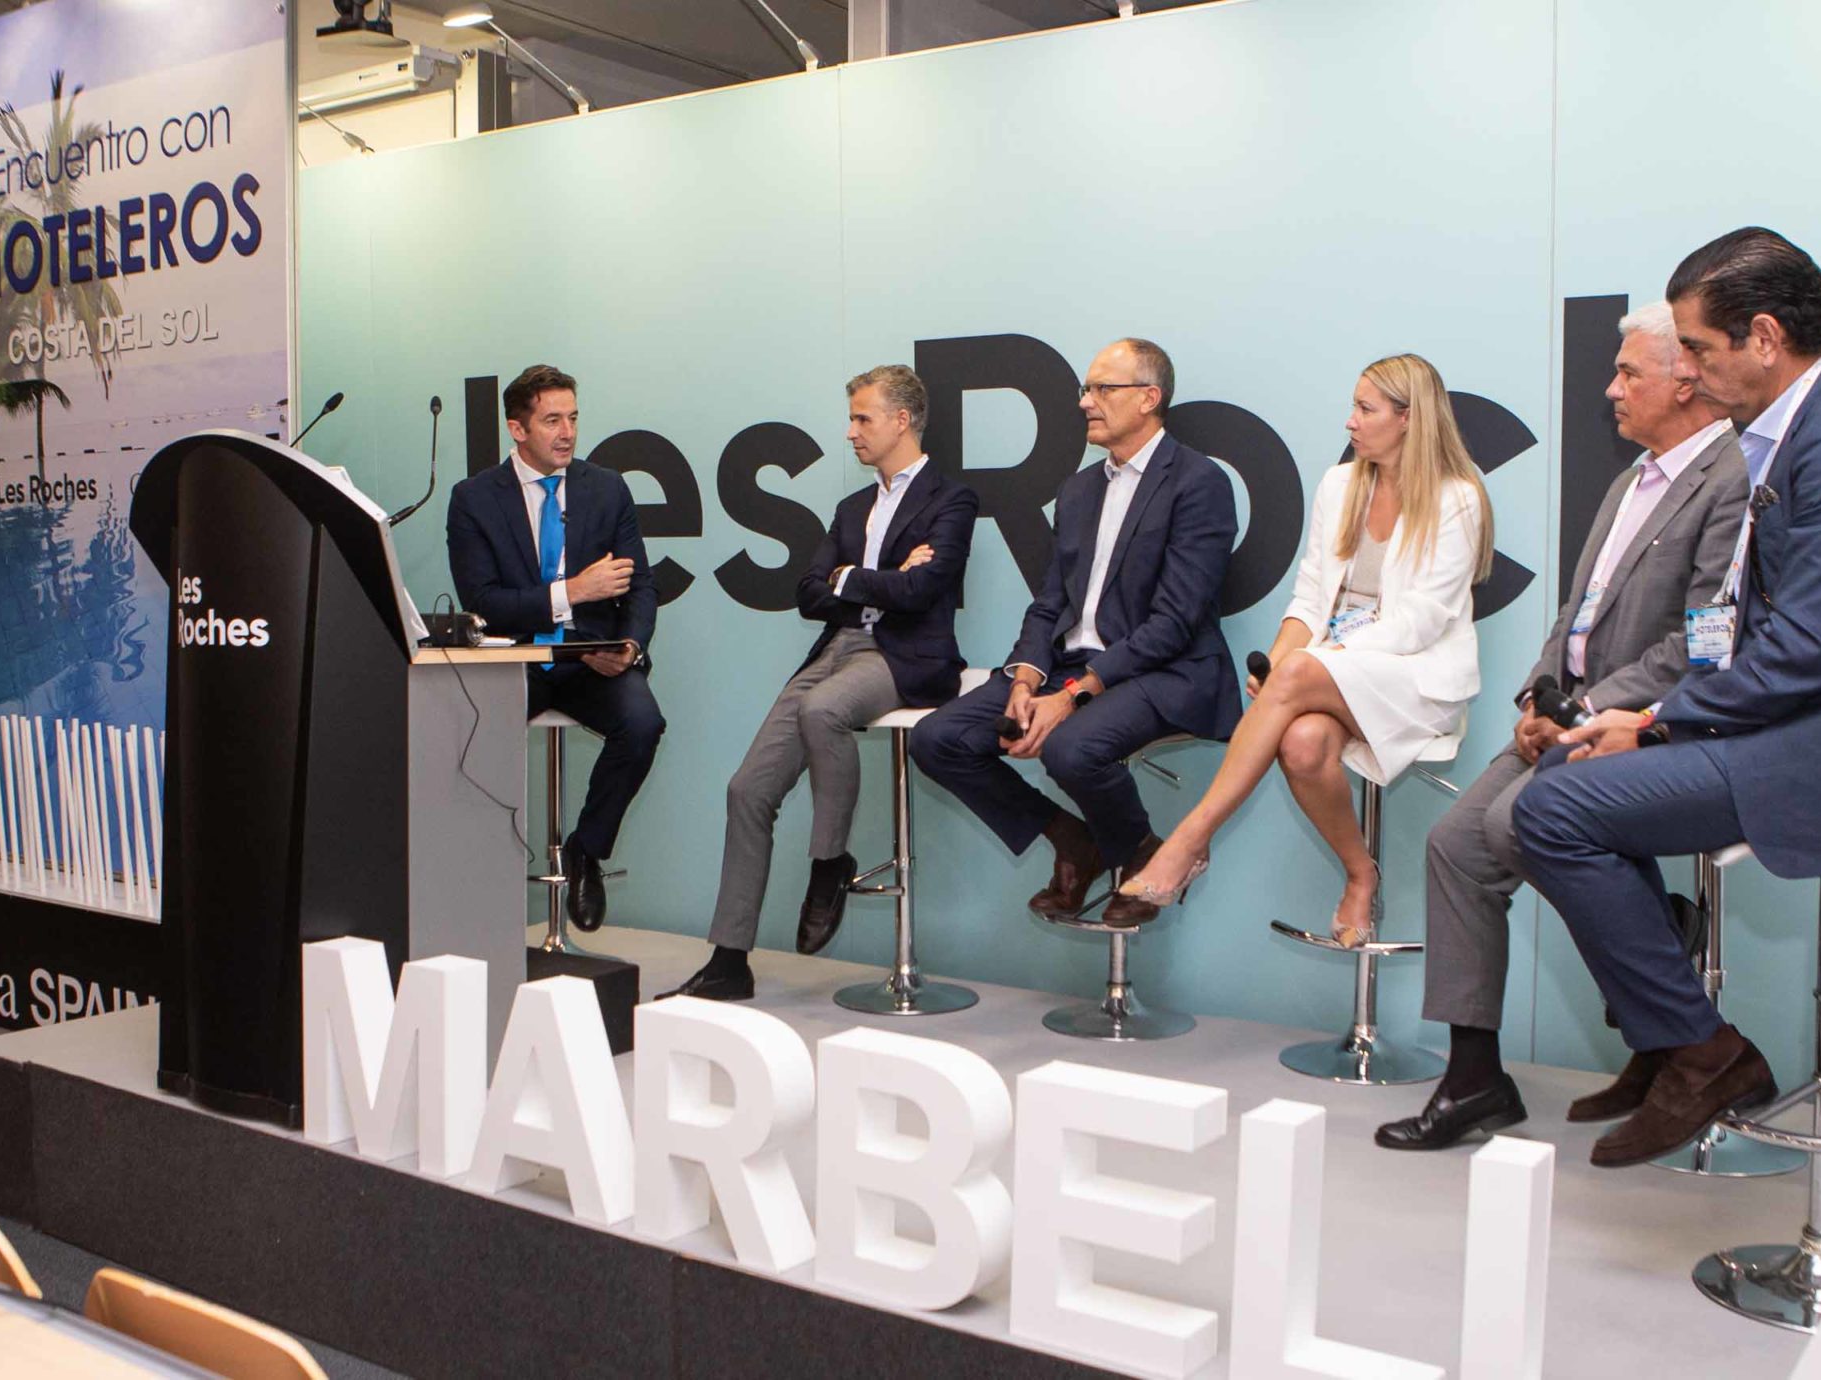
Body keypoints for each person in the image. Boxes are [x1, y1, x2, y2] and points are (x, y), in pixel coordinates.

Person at [1510, 228, 1821, 1168]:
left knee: (1556, 809)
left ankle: (1701, 1055)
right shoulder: (1798, 432)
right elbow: (1742, 627)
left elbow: (1813, 647)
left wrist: (1654, 722)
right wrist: (1647, 721)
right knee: (1566, 785)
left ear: (1767, 337)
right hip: (1801, 719)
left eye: (1699, 349)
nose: (1689, 372)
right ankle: (1678, 1043)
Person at [1375, 304, 1748, 1153]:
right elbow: (1577, 615)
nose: (1610, 389)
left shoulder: (1730, 479)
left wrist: (1583, 714)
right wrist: (1537, 699)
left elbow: (1699, 643)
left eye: (1628, 373)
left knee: (1518, 825)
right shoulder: (1632, 479)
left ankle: (1665, 1000)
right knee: (1455, 845)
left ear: (1685, 381)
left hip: (1647, 726)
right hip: (1568, 718)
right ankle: (1477, 1079)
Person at [1116, 355, 1490, 944]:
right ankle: (1360, 872)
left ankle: (1189, 840)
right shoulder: (1340, 485)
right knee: (1302, 742)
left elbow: (1419, 624)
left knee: (1298, 679)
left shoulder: (1458, 498)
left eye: (1365, 409)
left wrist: (1314, 663)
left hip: (1416, 679)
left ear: (1409, 418)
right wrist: (1282, 661)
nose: (1350, 421)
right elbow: (1311, 598)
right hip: (1332, 671)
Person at [659, 366, 978, 1001]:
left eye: (863, 418)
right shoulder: (852, 507)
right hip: (836, 648)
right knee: (747, 789)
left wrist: (851, 578)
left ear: (902, 420)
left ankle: (830, 862)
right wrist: (879, 578)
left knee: (823, 710)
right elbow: (808, 594)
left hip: (904, 657)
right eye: (852, 418)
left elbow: (924, 590)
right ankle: (729, 962)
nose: (851, 432)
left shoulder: (952, 499)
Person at [909, 337, 1239, 928]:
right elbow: (1049, 603)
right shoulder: (1079, 490)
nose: (1085, 401)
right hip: (1070, 665)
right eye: (1086, 389)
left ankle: (1145, 857)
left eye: (1102, 389)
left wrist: (1071, 696)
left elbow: (1174, 623)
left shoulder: (1198, 482)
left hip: (1166, 670)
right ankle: (1074, 840)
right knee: (938, 738)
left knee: (1071, 747)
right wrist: (1024, 679)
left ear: (1149, 398)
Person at [446, 363, 664, 932]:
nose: (567, 433)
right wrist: (573, 592)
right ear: (517, 429)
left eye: (572, 418)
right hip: (515, 659)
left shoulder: (606, 487)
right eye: (551, 421)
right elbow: (484, 602)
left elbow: (640, 585)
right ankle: (472, 880)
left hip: (591, 655)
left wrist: (630, 645)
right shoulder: (473, 499)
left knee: (643, 725)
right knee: (463, 739)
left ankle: (586, 850)